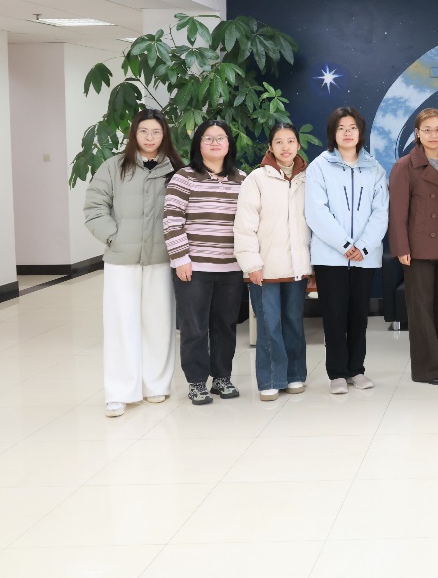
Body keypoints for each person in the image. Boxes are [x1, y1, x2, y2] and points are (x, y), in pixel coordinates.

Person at [84, 109, 183, 417]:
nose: (150, 138)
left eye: (156, 132)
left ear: (164, 135)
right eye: (143, 132)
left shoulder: (176, 169)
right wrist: (114, 237)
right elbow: (94, 207)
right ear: (134, 134)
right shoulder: (114, 167)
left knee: (159, 323)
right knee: (120, 324)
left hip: (161, 258)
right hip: (121, 259)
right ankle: (119, 391)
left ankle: (156, 385)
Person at [164, 119, 247, 405]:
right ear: (198, 145)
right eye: (208, 138)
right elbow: (172, 220)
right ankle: (197, 381)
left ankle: (222, 377)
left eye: (220, 137)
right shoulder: (184, 177)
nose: (214, 143)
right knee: (194, 327)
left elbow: (250, 222)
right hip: (194, 267)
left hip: (231, 268)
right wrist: (180, 258)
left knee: (226, 325)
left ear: (229, 144)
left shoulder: (242, 179)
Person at [306, 106, 389, 395]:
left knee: (358, 316)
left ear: (360, 132)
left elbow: (381, 212)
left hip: (365, 256)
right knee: (333, 315)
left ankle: (357, 369)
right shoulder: (318, 167)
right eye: (341, 128)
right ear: (333, 133)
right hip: (331, 256)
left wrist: (362, 246)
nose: (347, 133)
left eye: (352, 127)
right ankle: (337, 373)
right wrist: (344, 244)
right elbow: (316, 212)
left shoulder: (375, 168)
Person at [234, 123, 311, 401]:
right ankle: (269, 379)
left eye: (290, 141)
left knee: (293, 322)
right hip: (264, 268)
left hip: (298, 267)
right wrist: (251, 264)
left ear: (298, 145)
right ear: (270, 147)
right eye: (279, 142)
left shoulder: (309, 178)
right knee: (269, 326)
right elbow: (244, 225)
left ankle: (295, 375)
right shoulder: (256, 179)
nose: (285, 147)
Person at [388, 109, 438, 385]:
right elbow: (397, 212)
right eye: (427, 130)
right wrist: (401, 247)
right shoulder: (404, 166)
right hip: (418, 247)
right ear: (417, 133)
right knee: (421, 309)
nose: (434, 135)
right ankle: (427, 369)